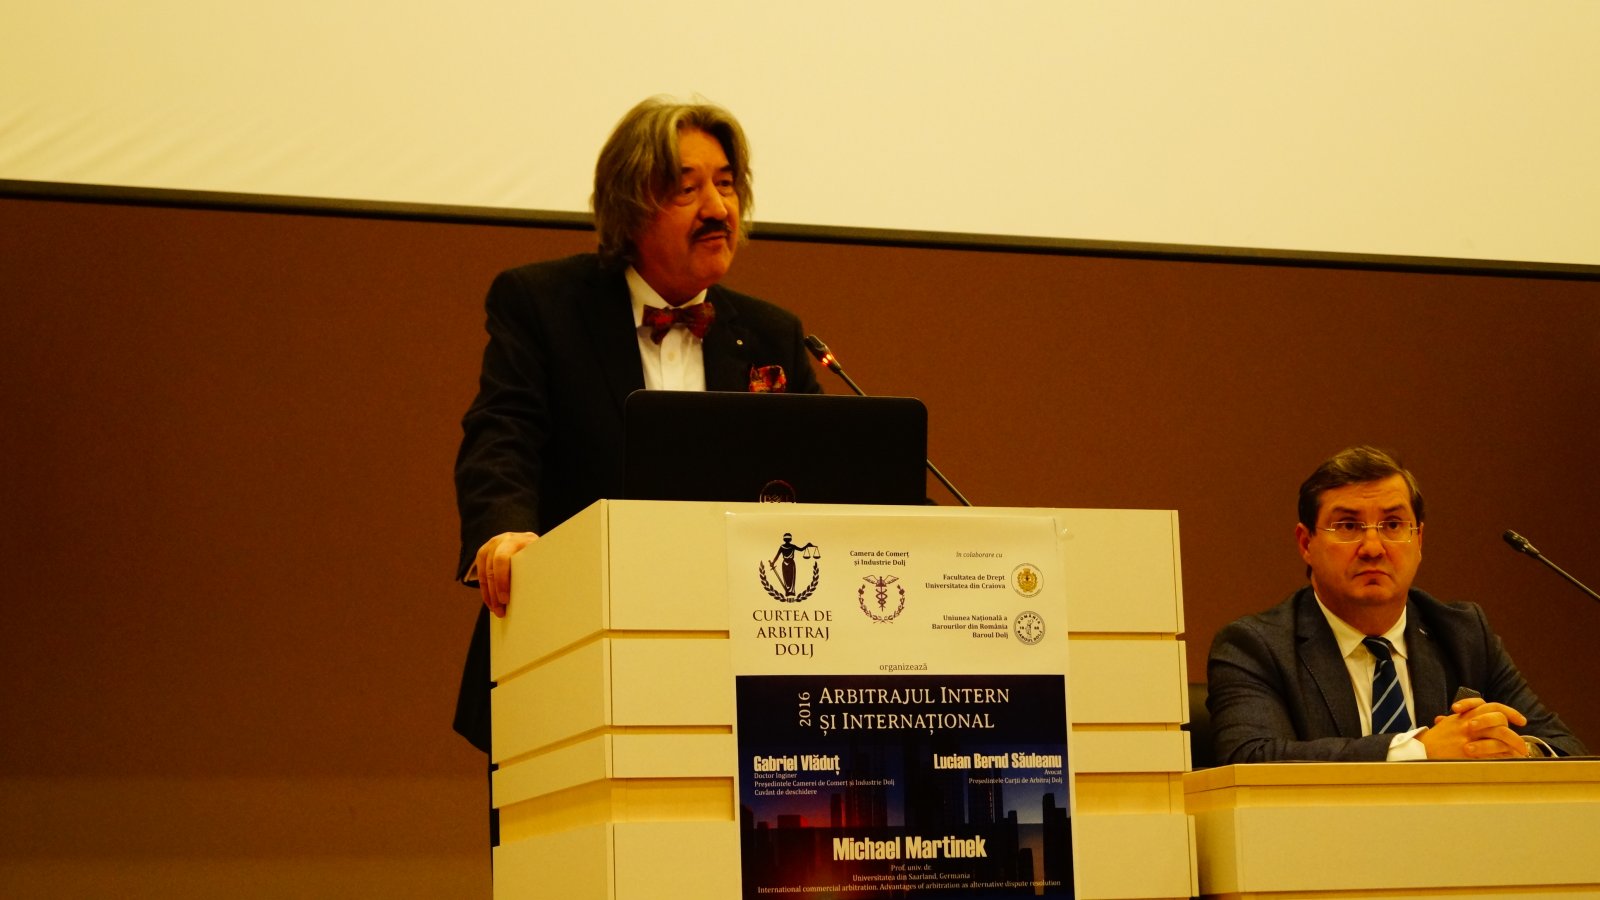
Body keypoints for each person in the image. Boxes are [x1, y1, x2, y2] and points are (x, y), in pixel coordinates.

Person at [451, 96, 822, 760]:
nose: (718, 208)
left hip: (741, 675)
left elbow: (835, 478)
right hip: (574, 660)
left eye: (727, 184)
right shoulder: (543, 306)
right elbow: (503, 432)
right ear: (629, 207)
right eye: (687, 189)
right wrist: (503, 530)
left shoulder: (773, 334)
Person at [1206, 445, 1587, 764]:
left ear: (1418, 540)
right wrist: (1419, 750)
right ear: (1306, 544)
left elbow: (1568, 750)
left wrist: (1516, 750)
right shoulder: (1255, 647)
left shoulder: (1464, 633)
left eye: (1392, 525)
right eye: (1348, 527)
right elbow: (1250, 758)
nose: (1373, 548)